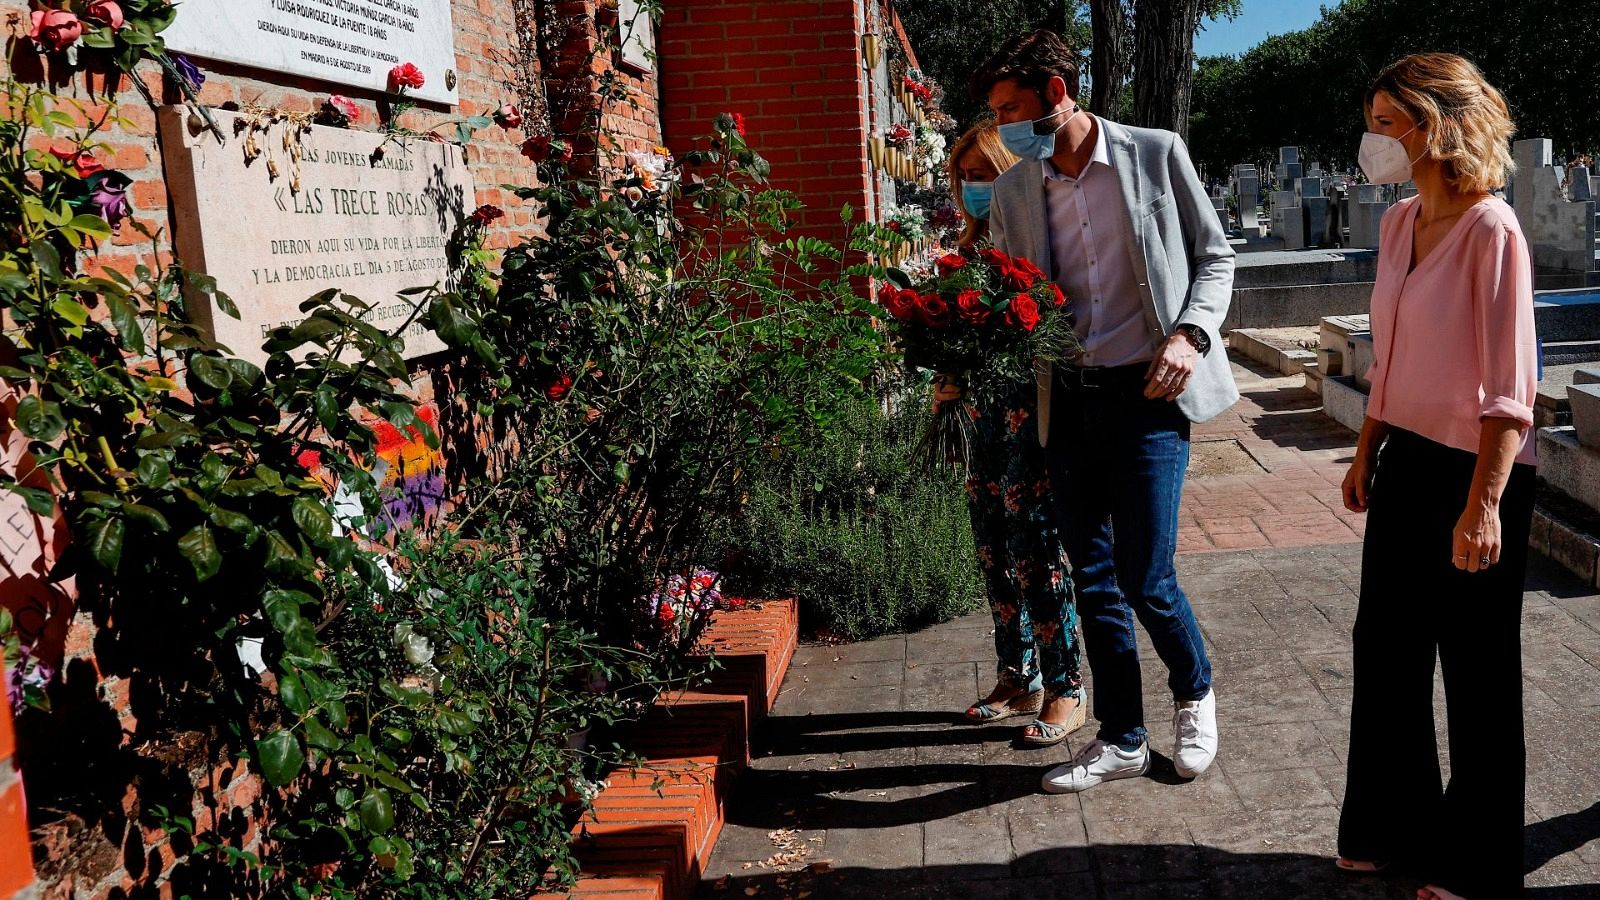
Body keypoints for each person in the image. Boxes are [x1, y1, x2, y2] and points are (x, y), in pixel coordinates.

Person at [971, 30, 1239, 794]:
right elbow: (1008, 290)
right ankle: (1121, 736)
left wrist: (1191, 333)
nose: (1003, 127)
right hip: (1069, 399)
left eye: (1011, 108)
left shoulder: (1155, 153)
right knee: (1091, 577)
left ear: (1057, 93)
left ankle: (1194, 695)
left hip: (1151, 391)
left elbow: (1215, 255)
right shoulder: (1019, 187)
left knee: (1145, 574)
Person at [1335, 53, 1536, 900]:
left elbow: (1508, 387)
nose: (1374, 139)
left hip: (1475, 474)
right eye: (1374, 121)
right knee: (1385, 648)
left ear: (1435, 123)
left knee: (1477, 667)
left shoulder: (1494, 231)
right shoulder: (1397, 221)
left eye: (1388, 122)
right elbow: (1389, 354)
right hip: (1406, 459)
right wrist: (1364, 447)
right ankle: (1392, 828)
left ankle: (1480, 863)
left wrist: (1483, 506)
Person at [941, 122, 1085, 746]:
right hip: (982, 422)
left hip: (1034, 419)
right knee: (994, 550)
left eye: (986, 175)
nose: (976, 188)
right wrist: (944, 373)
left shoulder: (1033, 249)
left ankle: (1065, 687)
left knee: (1037, 553)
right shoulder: (963, 252)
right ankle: (1016, 675)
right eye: (967, 177)